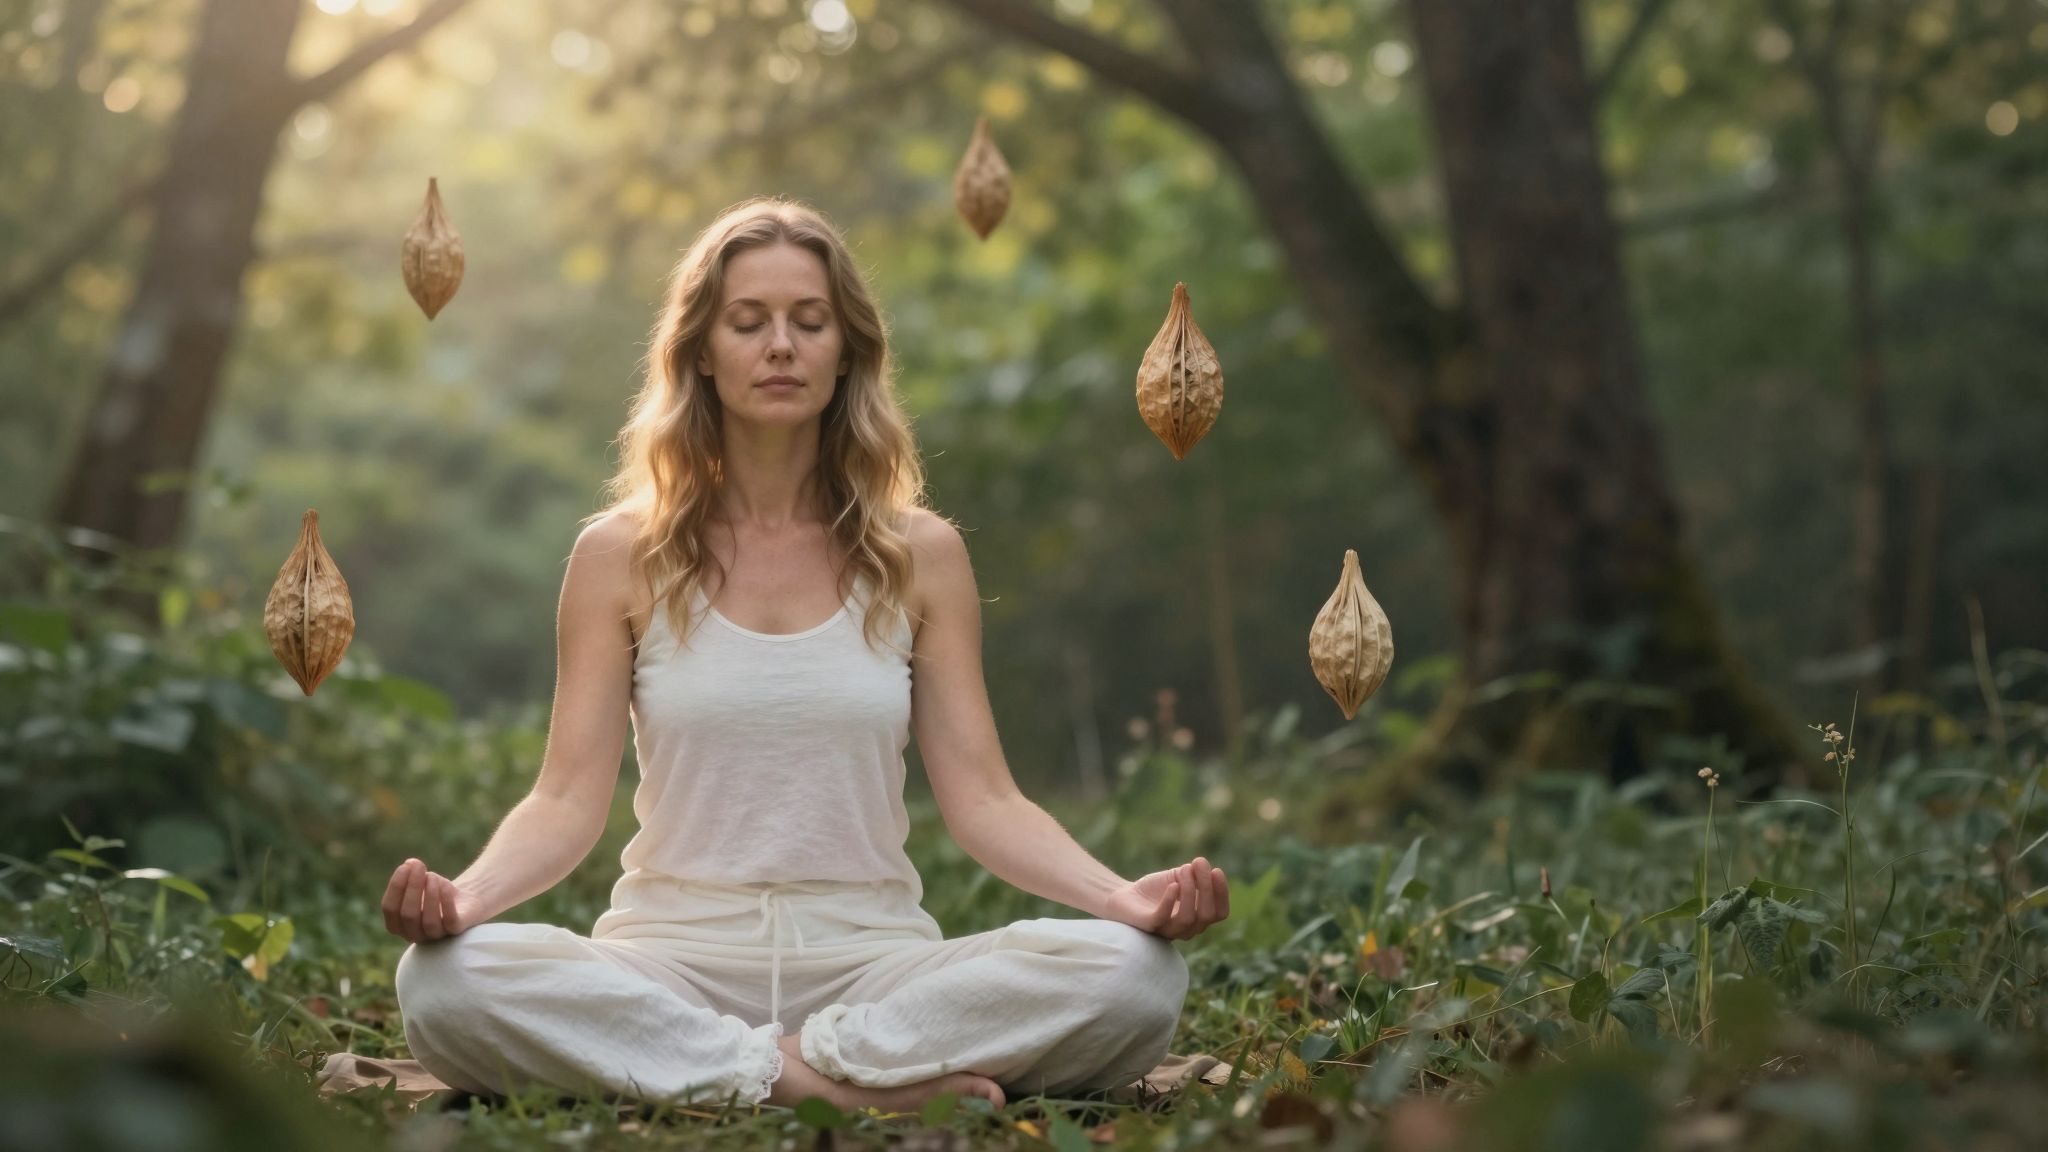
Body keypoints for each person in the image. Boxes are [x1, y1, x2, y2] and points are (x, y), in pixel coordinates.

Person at [384, 196, 1229, 1116]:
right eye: (748, 322)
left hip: (873, 967)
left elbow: (986, 800)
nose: (780, 345)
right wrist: (466, 900)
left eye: (808, 321)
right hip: (669, 961)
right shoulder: (617, 554)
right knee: (444, 983)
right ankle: (826, 1086)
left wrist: (1123, 900)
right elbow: (564, 799)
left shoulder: (922, 554)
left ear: (846, 348)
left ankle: (742, 1071)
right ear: (702, 351)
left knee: (1136, 978)